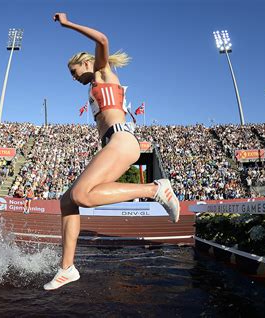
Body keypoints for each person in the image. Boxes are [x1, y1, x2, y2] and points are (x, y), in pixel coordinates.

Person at [44, 13, 180, 290]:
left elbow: (103, 39)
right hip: (113, 143)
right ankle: (67, 268)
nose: (73, 78)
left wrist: (68, 24)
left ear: (86, 63)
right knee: (67, 200)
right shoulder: (94, 84)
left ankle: (153, 190)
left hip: (121, 139)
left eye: (74, 72)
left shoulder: (102, 72)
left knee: (82, 195)